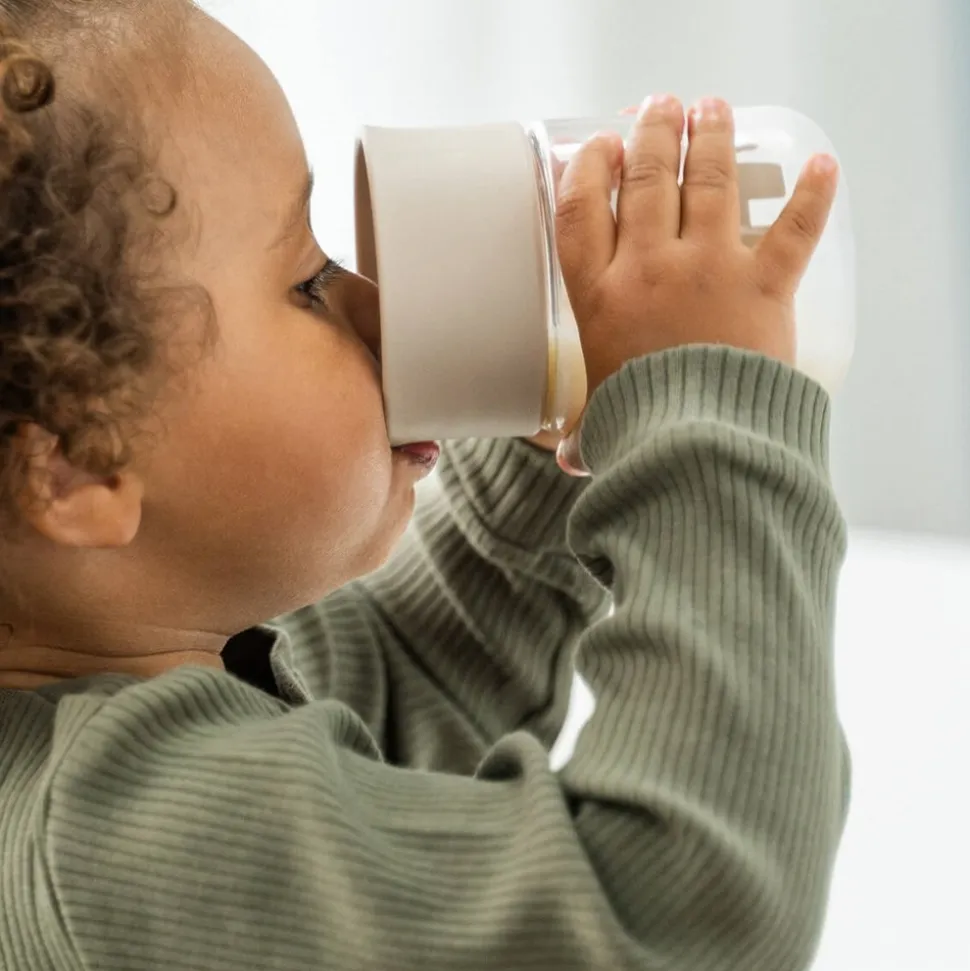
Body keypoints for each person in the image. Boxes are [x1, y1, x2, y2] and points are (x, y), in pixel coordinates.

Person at [0, 1, 850, 969]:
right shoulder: (129, 841)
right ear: (79, 460)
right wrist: (699, 420)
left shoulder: (141, 677)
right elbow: (675, 910)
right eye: (307, 282)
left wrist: (553, 399)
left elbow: (422, 677)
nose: (377, 307)